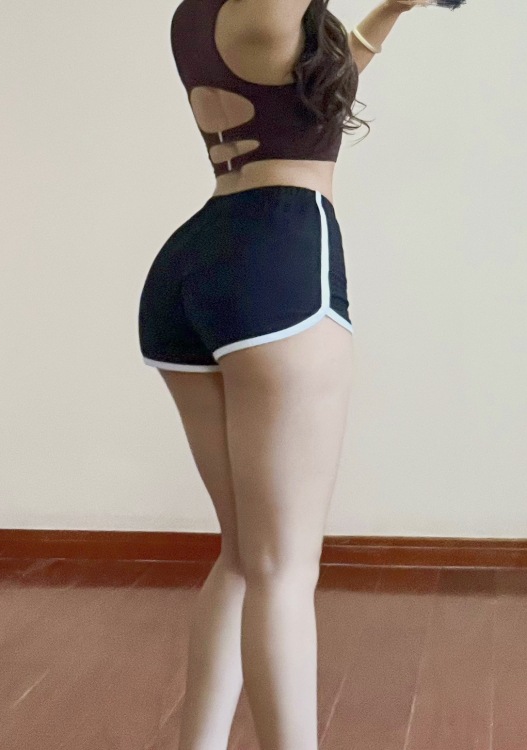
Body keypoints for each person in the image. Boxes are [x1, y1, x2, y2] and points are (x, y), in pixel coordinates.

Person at [138, 1, 431, 748]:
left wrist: (392, 12)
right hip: (278, 259)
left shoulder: (203, 17)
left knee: (245, 558)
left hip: (192, 265)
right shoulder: (263, 14)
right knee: (284, 569)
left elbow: (307, 95)